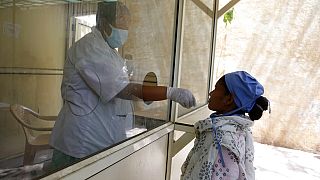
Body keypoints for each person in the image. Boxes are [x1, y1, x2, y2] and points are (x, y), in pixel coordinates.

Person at [49, 1, 196, 170]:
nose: (125, 31)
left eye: (128, 25)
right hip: (81, 140)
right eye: (122, 24)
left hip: (101, 138)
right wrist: (170, 92)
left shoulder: (110, 51)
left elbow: (121, 81)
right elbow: (122, 89)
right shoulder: (90, 47)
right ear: (104, 23)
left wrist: (141, 83)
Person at [180, 71, 269, 180]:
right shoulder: (235, 128)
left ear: (229, 99)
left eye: (216, 88)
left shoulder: (222, 142)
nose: (210, 93)